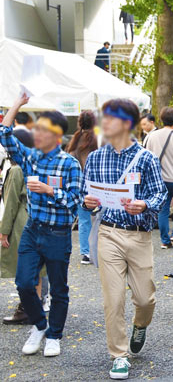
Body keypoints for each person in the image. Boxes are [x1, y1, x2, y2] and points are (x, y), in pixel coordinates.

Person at [82, 99, 167, 380]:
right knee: (113, 299)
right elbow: (84, 195)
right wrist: (87, 201)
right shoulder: (95, 157)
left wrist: (143, 204)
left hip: (139, 235)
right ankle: (118, 355)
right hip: (108, 232)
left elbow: (160, 194)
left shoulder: (146, 158)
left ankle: (140, 324)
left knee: (145, 299)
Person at [1, 94, 83, 357]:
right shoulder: (30, 158)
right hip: (32, 230)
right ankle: (39, 325)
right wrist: (17, 104)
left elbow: (75, 202)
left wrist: (50, 190)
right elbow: (4, 134)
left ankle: (54, 335)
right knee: (24, 283)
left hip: (58, 234)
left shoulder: (69, 163)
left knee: (59, 288)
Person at [1, 132, 37, 325]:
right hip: (33, 219)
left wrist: (3, 231)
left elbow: (11, 204)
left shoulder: (16, 169)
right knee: (36, 269)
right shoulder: (34, 163)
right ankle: (33, 306)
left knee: (22, 267)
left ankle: (25, 308)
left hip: (19, 222)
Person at [144, 107, 173, 249]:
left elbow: (146, 157)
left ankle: (165, 240)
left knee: (163, 209)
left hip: (158, 180)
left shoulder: (152, 136)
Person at [66, 110, 99, 265]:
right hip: (98, 185)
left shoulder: (75, 139)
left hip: (79, 184)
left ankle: (86, 252)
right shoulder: (97, 140)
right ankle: (100, 249)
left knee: (84, 220)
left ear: (80, 123)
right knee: (101, 219)